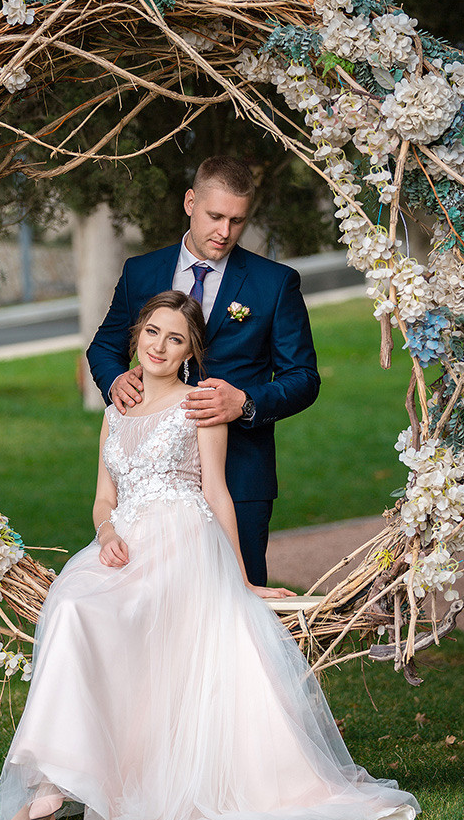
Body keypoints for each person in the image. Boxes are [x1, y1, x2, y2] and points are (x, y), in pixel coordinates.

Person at [0, 291, 420, 820]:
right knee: (69, 608)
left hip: (182, 544)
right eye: (153, 334)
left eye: (176, 339)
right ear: (136, 336)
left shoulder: (199, 405)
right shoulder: (116, 411)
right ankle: (47, 787)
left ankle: (47, 795)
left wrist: (239, 579)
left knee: (105, 617)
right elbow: (101, 499)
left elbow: (217, 491)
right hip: (124, 544)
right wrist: (109, 534)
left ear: (190, 351)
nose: (161, 347)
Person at [86, 156, 320, 588]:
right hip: (153, 484)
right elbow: (104, 346)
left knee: (235, 605)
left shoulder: (274, 283)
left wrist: (245, 403)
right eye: (215, 216)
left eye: (237, 221)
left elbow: (304, 377)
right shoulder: (141, 272)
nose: (224, 232)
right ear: (190, 202)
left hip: (239, 473)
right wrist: (116, 380)